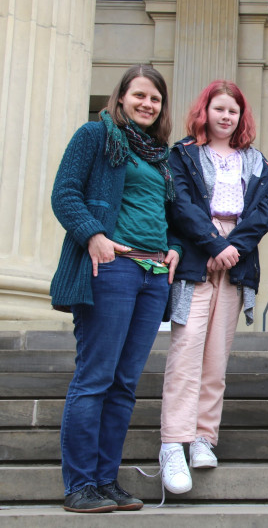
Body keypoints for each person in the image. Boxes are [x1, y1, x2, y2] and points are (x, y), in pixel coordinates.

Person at [51, 64, 178, 513]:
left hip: (153, 275)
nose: (147, 104)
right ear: (121, 96)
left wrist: (175, 247)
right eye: (139, 95)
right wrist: (94, 234)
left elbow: (168, 213)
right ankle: (80, 484)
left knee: (124, 384)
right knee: (95, 378)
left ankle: (106, 481)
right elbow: (65, 193)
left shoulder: (160, 155)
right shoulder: (95, 136)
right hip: (112, 269)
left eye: (155, 99)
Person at [158, 80, 268, 494]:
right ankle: (174, 442)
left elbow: (261, 214)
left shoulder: (256, 161)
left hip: (236, 259)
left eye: (234, 111)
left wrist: (231, 249)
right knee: (187, 348)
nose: (227, 117)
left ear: (242, 117)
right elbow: (181, 205)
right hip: (195, 254)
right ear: (204, 111)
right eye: (220, 109)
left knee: (216, 355)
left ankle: (205, 437)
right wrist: (212, 243)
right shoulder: (183, 155)